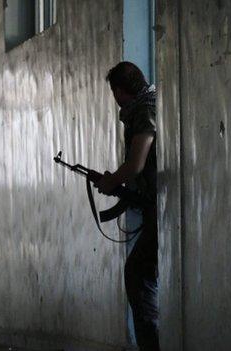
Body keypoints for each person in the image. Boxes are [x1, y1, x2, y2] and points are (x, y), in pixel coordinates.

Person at [95, 61, 159, 351]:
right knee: (140, 277)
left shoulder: (145, 111)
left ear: (119, 91)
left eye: (114, 92)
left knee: (137, 277)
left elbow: (136, 164)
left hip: (160, 208)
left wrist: (113, 181)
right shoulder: (147, 105)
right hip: (153, 205)